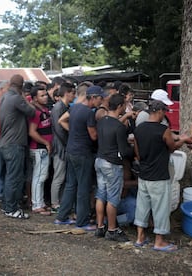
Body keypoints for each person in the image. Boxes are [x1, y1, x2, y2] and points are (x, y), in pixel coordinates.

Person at [133, 100, 188, 252]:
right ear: (159, 112)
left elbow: (137, 153)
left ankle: (140, 237)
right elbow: (172, 147)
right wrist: (182, 140)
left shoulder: (139, 129)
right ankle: (159, 241)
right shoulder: (163, 130)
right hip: (159, 175)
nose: (164, 115)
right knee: (161, 209)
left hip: (144, 174)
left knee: (142, 206)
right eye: (164, 112)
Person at [54, 86, 101, 230]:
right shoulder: (89, 113)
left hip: (71, 150)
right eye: (100, 98)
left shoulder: (74, 108)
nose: (101, 100)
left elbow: (61, 120)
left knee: (70, 185)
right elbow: (93, 136)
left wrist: (74, 130)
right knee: (83, 187)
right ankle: (82, 221)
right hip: (83, 153)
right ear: (92, 98)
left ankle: (61, 217)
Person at [94, 94, 131, 241]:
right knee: (113, 198)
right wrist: (132, 149)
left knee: (100, 195)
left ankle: (100, 227)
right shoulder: (119, 127)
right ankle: (112, 229)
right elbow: (124, 151)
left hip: (99, 160)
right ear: (121, 106)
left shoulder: (102, 121)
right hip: (112, 164)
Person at [0, 74, 36, 219]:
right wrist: (26, 99)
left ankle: (7, 206)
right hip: (14, 143)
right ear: (21, 86)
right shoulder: (16, 98)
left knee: (10, 176)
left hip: (6, 142)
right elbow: (32, 112)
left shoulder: (4, 97)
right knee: (14, 177)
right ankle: (11, 208)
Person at [49, 82, 75, 213]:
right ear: (67, 93)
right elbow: (59, 129)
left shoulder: (66, 106)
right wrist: (68, 142)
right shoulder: (58, 107)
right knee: (59, 176)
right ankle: (54, 203)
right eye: (73, 93)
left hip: (63, 146)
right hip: (60, 147)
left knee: (62, 177)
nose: (74, 96)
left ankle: (60, 202)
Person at [28, 85, 53, 216]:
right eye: (42, 95)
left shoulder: (44, 110)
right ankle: (36, 204)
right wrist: (46, 143)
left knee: (42, 176)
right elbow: (32, 132)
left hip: (43, 148)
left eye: (46, 95)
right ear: (34, 98)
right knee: (39, 177)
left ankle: (40, 202)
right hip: (38, 149)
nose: (45, 97)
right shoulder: (36, 112)